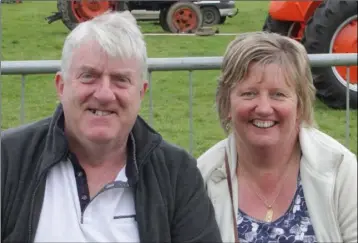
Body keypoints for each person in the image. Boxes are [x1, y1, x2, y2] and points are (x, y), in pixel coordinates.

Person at [1, 11, 222, 243]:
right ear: (61, 86)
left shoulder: (177, 174)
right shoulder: (8, 159)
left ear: (141, 92)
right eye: (89, 76)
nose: (105, 94)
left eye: (120, 79)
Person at [197, 31, 357, 243]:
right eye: (249, 93)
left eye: (278, 95)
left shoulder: (340, 169)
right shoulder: (203, 176)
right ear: (227, 103)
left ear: (300, 105)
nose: (263, 108)